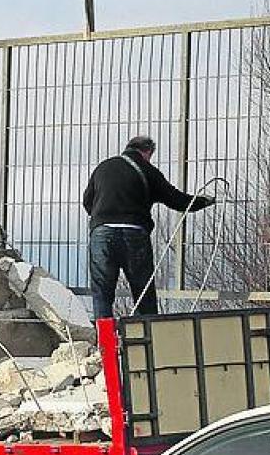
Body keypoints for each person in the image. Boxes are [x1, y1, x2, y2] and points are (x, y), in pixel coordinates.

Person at [83, 135, 216, 319]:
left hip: (102, 232)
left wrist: (103, 216)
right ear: (147, 152)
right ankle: (144, 340)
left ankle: (105, 342)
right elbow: (177, 200)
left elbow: (87, 202)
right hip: (134, 234)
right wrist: (205, 201)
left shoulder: (103, 168)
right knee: (143, 292)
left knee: (102, 292)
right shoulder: (149, 171)